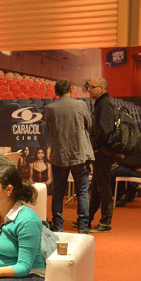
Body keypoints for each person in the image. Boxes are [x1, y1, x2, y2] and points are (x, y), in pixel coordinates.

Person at [43, 78, 94, 233]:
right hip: (79, 154)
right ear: (70, 90)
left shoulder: (49, 108)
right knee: (82, 192)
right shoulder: (81, 105)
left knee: (58, 192)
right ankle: (83, 227)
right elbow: (89, 126)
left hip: (59, 155)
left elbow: (48, 130)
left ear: (56, 91)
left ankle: (58, 226)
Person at [87, 77, 116, 232]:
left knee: (103, 187)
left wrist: (95, 147)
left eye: (92, 86)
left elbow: (105, 130)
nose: (89, 89)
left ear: (102, 89)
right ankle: (88, 218)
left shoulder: (104, 105)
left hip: (103, 152)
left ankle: (106, 222)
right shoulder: (101, 104)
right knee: (97, 186)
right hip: (100, 151)